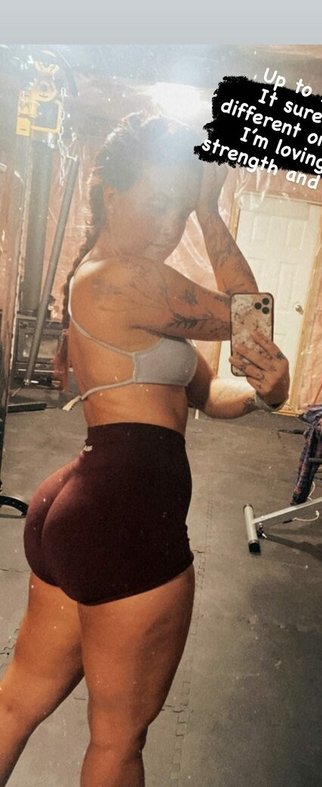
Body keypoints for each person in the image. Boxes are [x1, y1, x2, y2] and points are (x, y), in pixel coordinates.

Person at [0, 112, 290, 786]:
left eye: (179, 209)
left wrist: (266, 391)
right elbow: (252, 316)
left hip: (80, 509)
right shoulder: (123, 278)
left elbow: (209, 394)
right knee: (118, 742)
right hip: (124, 518)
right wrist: (211, 209)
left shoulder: (132, 287)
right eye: (159, 202)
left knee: (16, 702)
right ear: (111, 195)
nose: (169, 224)